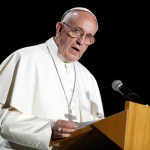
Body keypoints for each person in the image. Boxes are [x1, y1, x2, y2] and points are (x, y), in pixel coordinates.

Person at [0, 7, 104, 150]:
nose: (81, 41)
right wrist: (48, 130)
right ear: (59, 28)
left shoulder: (89, 79)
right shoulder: (24, 58)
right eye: (77, 31)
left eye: (88, 37)